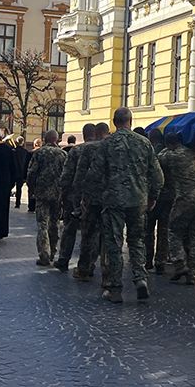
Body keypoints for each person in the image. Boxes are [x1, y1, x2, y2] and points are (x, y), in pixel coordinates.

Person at [85, 108, 163, 303]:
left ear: (114, 121)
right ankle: (140, 279)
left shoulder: (107, 143)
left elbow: (93, 175)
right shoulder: (144, 143)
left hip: (113, 201)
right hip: (138, 200)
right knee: (137, 241)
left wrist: (90, 197)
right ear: (131, 120)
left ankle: (115, 288)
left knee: (114, 243)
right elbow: (158, 176)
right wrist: (152, 197)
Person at [160, 132, 195, 286]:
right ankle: (193, 274)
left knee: (173, 230)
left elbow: (158, 160)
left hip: (184, 199)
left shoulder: (171, 155)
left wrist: (167, 148)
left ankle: (179, 263)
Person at [70, 122, 109, 281]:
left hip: (91, 198)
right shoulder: (113, 147)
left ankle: (84, 268)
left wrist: (77, 201)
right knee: (108, 236)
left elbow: (79, 177)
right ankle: (107, 274)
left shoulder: (88, 149)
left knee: (88, 234)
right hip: (109, 198)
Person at [55, 123, 94, 273]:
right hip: (94, 196)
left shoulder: (76, 150)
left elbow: (67, 175)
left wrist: (63, 193)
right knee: (91, 231)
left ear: (83, 135)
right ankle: (88, 264)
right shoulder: (102, 149)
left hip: (74, 196)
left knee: (69, 229)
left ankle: (64, 259)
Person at [27, 130, 67, 266]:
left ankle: (44, 254)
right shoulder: (63, 154)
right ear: (57, 139)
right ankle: (53, 252)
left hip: (42, 193)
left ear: (45, 139)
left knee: (42, 224)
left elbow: (31, 173)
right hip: (57, 194)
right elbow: (67, 175)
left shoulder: (39, 153)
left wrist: (31, 188)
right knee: (55, 223)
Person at [144, 128, 173, 274]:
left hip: (152, 197)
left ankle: (148, 260)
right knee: (164, 230)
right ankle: (160, 261)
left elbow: (150, 176)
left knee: (148, 230)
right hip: (169, 198)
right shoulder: (170, 153)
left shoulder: (152, 154)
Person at [12, 136, 30, 209]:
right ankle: (17, 203)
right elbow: (27, 164)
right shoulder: (26, 152)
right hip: (21, 173)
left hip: (13, 172)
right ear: (22, 142)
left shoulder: (13, 151)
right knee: (19, 189)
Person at [28, 136, 44, 214]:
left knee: (31, 190)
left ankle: (31, 206)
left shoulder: (30, 153)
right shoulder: (43, 153)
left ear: (34, 144)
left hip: (33, 174)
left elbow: (28, 165)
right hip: (40, 176)